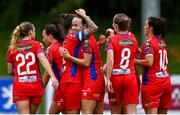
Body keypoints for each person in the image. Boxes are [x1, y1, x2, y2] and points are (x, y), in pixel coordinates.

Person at [6, 21, 59, 114]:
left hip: (20, 87)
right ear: (30, 32)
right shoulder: (36, 45)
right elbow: (43, 60)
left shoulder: (12, 48)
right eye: (34, 30)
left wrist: (20, 73)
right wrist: (53, 77)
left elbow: (10, 70)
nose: (35, 33)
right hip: (35, 86)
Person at [60, 13, 105, 113]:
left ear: (85, 26)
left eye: (76, 25)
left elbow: (86, 62)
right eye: (72, 25)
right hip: (96, 79)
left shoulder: (82, 40)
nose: (73, 28)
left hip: (90, 80)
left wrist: (68, 57)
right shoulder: (82, 40)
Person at [134, 16, 172, 114]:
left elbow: (149, 62)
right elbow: (155, 58)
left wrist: (133, 60)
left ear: (151, 28)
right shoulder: (162, 42)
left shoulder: (148, 43)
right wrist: (139, 52)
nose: (144, 26)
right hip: (166, 82)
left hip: (153, 83)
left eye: (146, 24)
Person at [105, 13, 139, 114]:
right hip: (130, 77)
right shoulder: (133, 38)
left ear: (116, 26)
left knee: (115, 111)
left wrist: (108, 78)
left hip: (116, 77)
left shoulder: (111, 39)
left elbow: (110, 60)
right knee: (131, 111)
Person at [42, 23, 65, 114]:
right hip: (71, 83)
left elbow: (47, 73)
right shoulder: (64, 44)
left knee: (52, 113)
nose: (43, 39)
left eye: (44, 36)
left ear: (51, 36)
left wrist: (41, 88)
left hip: (61, 86)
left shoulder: (50, 49)